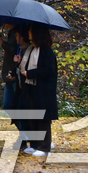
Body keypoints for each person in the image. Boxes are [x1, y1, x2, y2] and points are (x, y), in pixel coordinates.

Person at [16, 25, 58, 157]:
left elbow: (48, 70)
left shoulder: (46, 51)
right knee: (32, 117)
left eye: (30, 31)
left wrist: (30, 73)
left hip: (44, 90)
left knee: (42, 119)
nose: (28, 33)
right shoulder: (31, 49)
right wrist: (18, 64)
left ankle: (44, 147)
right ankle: (35, 145)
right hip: (32, 89)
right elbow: (25, 66)